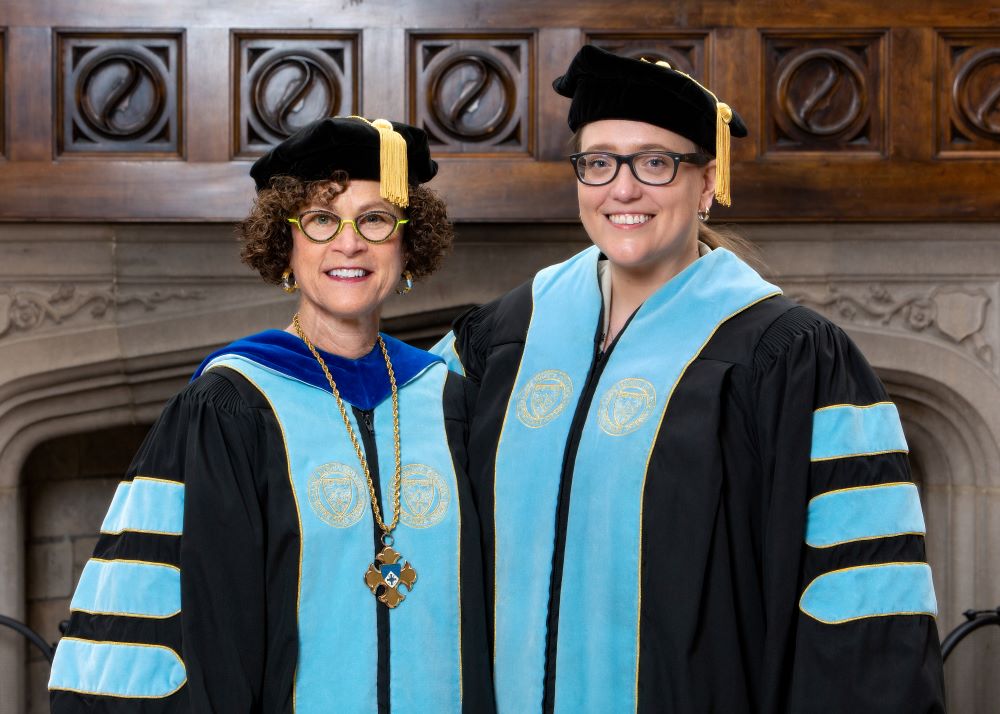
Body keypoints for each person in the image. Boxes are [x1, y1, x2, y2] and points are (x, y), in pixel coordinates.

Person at [433, 46, 945, 713]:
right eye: (599, 162)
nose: (622, 189)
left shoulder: (791, 360)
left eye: (654, 163)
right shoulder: (504, 335)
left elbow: (864, 609)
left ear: (706, 185)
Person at [49, 116, 495, 713]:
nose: (349, 243)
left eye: (375, 219)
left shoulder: (449, 401)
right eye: (320, 220)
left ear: (407, 243)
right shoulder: (232, 406)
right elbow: (213, 634)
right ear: (285, 245)